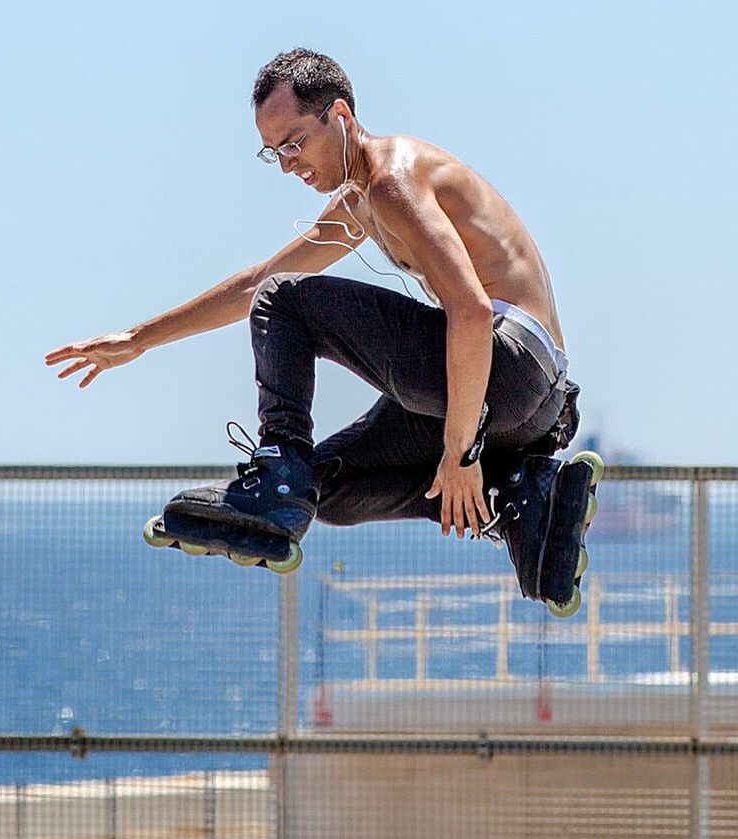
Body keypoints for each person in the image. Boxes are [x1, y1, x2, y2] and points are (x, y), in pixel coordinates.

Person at [45, 49, 600, 613]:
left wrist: (460, 455)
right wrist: (137, 340)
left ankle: (278, 467)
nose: (288, 164)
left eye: (294, 143)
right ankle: (522, 497)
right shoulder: (360, 201)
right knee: (326, 489)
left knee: (287, 303)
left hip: (508, 367)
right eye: (273, 153)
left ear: (338, 115)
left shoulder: (394, 178)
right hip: (525, 406)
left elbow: (472, 311)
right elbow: (255, 282)